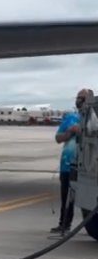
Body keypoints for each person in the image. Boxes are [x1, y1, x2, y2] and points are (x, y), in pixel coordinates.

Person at [51, 89, 89, 235]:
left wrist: (83, 131)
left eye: (82, 98)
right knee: (66, 197)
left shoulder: (94, 118)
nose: (79, 100)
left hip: (87, 166)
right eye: (78, 98)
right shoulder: (70, 118)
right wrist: (70, 132)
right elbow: (58, 138)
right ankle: (64, 224)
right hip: (68, 165)